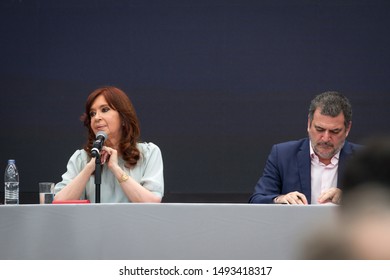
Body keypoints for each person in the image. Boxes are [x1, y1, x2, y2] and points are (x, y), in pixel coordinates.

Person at [54, 86, 164, 203]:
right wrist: (90, 167)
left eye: (105, 110)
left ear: (123, 117)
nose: (96, 117)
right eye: (92, 113)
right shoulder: (81, 158)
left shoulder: (148, 153)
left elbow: (152, 203)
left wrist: (116, 169)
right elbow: (59, 202)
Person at [249, 91, 361, 204]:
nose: (326, 138)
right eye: (319, 129)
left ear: (347, 129)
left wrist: (350, 199)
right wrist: (280, 199)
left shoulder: (365, 159)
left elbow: (379, 203)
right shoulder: (282, 155)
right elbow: (257, 200)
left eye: (335, 131)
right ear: (309, 124)